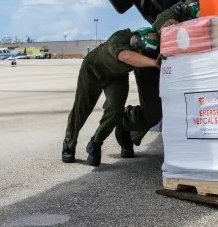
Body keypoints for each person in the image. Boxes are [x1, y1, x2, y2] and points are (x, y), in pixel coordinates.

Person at [60, 26, 160, 166]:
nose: (141, 56)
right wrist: (153, 63)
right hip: (93, 69)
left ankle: (95, 143)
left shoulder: (142, 47)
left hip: (116, 76)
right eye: (140, 52)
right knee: (81, 109)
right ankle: (69, 145)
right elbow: (125, 56)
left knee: (115, 111)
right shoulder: (119, 38)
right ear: (135, 42)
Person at [115, 0, 200, 153]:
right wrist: (166, 28)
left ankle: (134, 136)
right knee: (153, 113)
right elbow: (159, 27)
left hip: (175, 68)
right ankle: (123, 121)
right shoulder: (173, 13)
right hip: (151, 67)